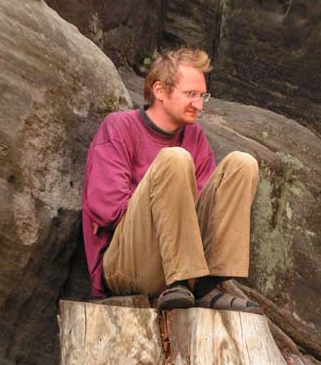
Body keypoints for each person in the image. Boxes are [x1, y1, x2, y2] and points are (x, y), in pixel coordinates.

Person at [82, 47, 261, 313]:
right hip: (127, 264)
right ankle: (181, 278)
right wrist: (162, 195)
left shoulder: (194, 136)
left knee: (242, 164)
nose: (199, 105)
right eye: (191, 95)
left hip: (186, 269)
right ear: (160, 91)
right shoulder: (119, 127)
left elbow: (200, 214)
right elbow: (107, 210)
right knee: (174, 159)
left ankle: (207, 284)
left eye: (203, 96)